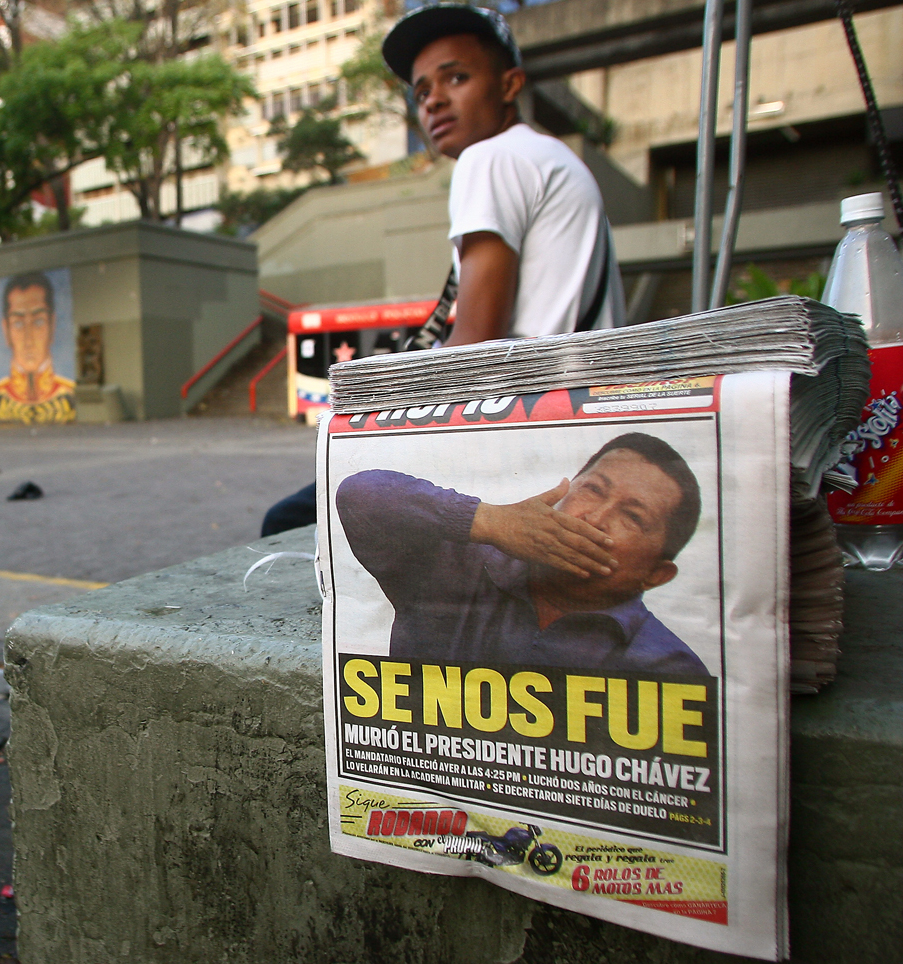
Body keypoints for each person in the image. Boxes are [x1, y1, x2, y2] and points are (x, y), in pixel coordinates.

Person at [261, 4, 625, 537]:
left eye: (456, 77)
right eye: (422, 91)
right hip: (577, 422)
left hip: (520, 427)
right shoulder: (550, 158)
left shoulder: (491, 158)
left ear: (510, 84)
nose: (434, 99)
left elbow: (473, 352)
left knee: (289, 519)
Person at [334, 433, 710, 676]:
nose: (594, 519)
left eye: (632, 516)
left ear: (657, 575)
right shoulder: (457, 566)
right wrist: (490, 520)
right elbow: (361, 493)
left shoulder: (664, 664)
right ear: (564, 491)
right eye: (593, 489)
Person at [0, 272, 76, 425]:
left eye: (38, 322)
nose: (29, 340)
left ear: (52, 325)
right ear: (6, 330)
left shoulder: (73, 394)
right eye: (18, 324)